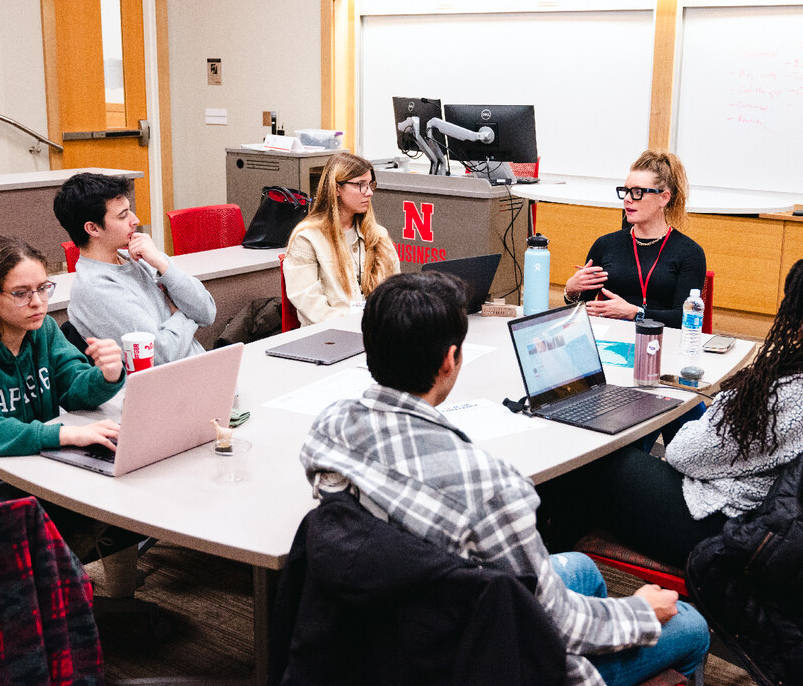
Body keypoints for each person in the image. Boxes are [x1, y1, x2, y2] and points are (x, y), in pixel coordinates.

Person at [299, 271, 708, 686]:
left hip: (391, 630)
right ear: (449, 360)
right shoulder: (492, 490)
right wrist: (639, 611)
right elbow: (563, 626)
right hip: (474, 657)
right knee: (690, 625)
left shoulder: (330, 429)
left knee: (582, 568)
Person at [583, 252, 803, 569]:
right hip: (784, 523)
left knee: (598, 463)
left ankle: (556, 575)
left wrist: (725, 407)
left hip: (731, 527)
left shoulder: (795, 397)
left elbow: (683, 454)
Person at [0, 235, 138, 565]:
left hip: (32, 465)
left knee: (120, 481)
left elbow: (73, 387)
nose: (38, 303)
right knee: (50, 513)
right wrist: (62, 435)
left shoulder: (40, 329)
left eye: (44, 288)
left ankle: (86, 591)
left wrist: (107, 375)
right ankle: (52, 601)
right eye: (21, 293)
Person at [54, 172, 216, 365]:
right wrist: (184, 314)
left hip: (201, 371)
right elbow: (161, 354)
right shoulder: (95, 288)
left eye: (130, 210)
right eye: (123, 216)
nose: (135, 219)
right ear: (93, 229)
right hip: (170, 386)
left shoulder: (141, 256)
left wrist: (163, 265)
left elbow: (206, 312)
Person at [563, 150, 705, 328]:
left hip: (660, 343)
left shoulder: (689, 253)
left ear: (664, 198)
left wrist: (636, 313)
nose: (628, 199)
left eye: (638, 192)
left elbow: (684, 319)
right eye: (626, 191)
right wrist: (571, 290)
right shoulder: (605, 245)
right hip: (608, 339)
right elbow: (581, 311)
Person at [283, 152, 400, 326]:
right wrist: (358, 326)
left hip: (376, 332)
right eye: (360, 185)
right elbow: (311, 306)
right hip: (329, 335)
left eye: (370, 185)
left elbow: (396, 291)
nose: (369, 193)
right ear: (336, 188)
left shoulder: (379, 235)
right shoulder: (307, 238)